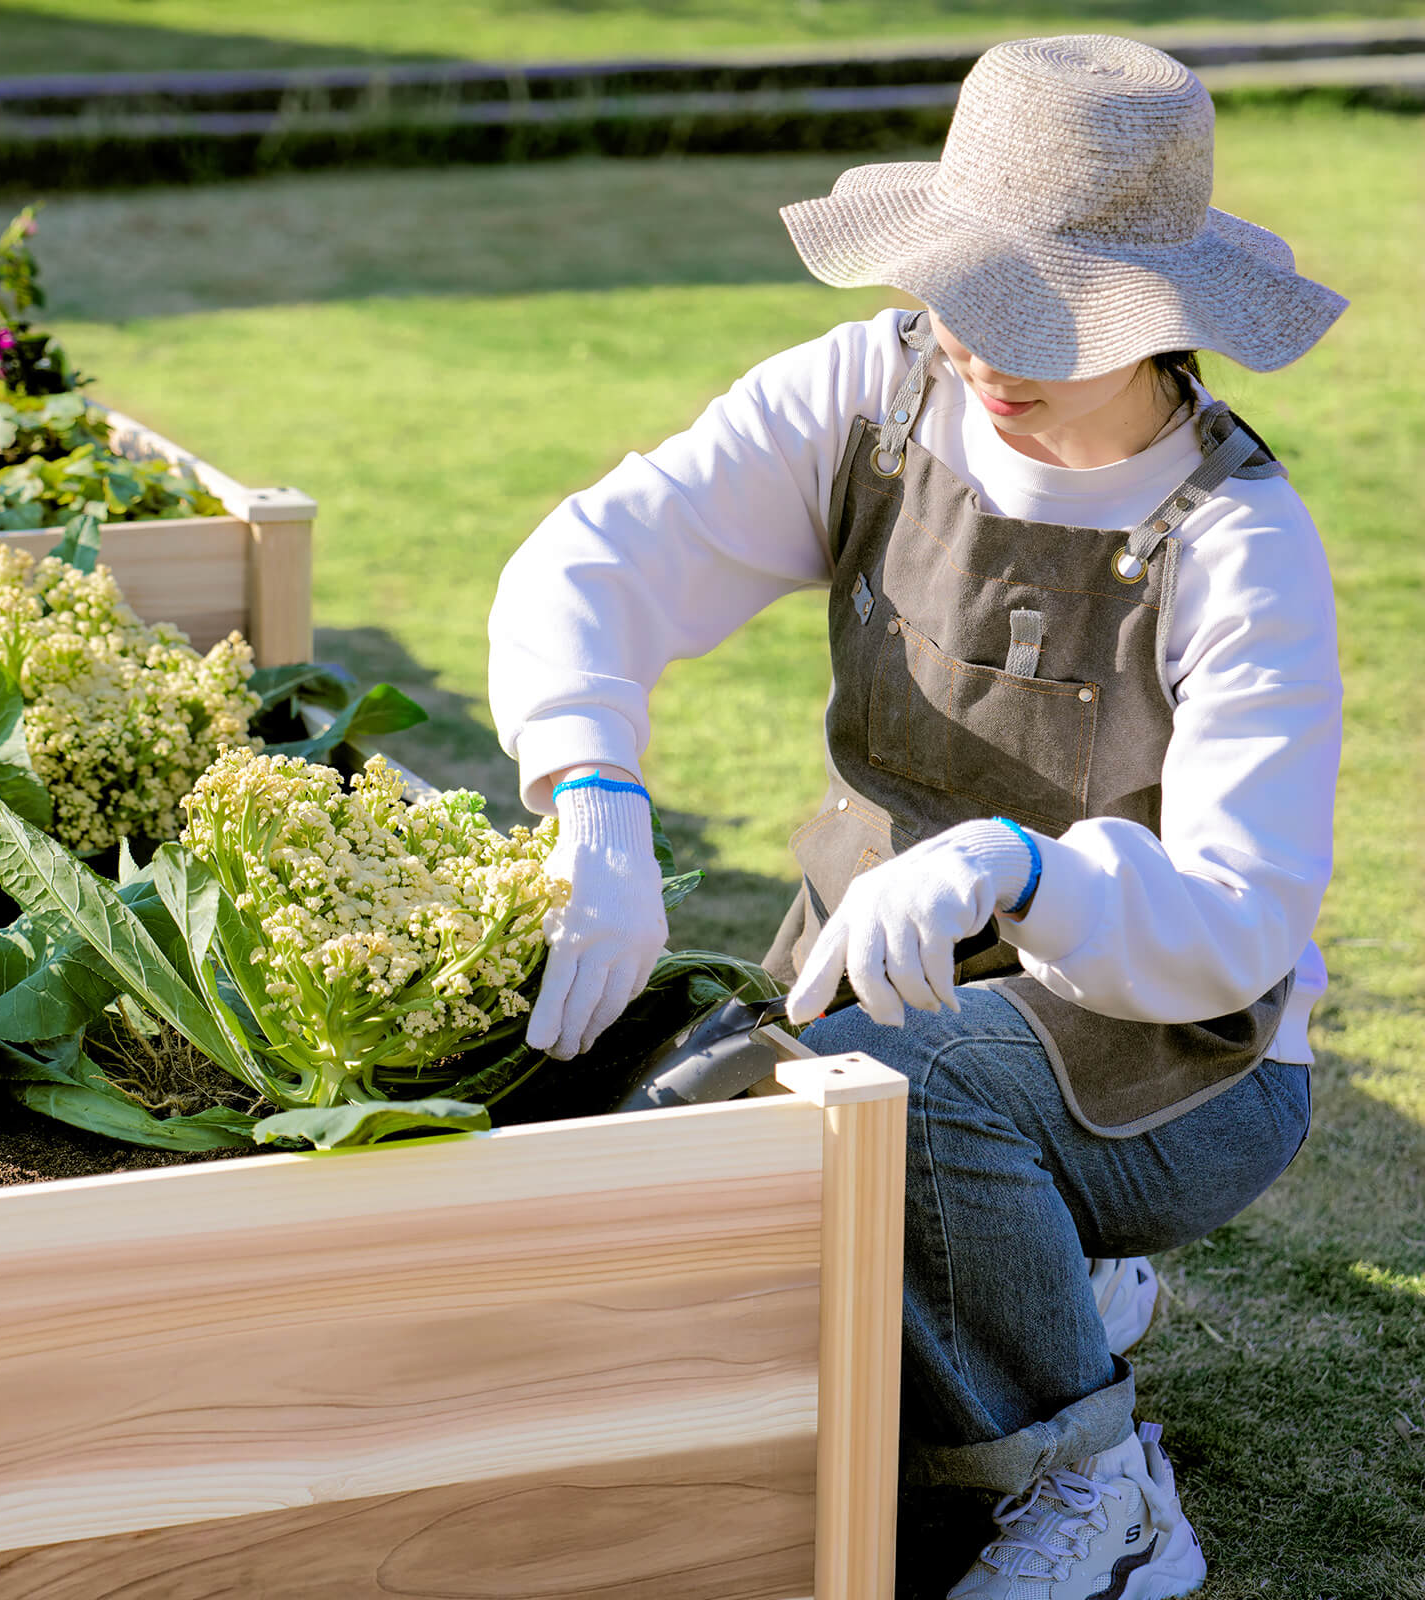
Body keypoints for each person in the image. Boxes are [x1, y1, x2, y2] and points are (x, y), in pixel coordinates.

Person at [488, 34, 1343, 1598]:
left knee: (895, 1091)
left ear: (1161, 323)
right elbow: (596, 559)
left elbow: (1240, 924)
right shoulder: (872, 397)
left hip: (1176, 1065)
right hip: (869, 998)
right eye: (966, 298)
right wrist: (591, 794)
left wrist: (1016, 869)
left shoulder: (1238, 546)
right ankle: (1046, 1266)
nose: (983, 353)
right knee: (647, 1092)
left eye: (1045, 323)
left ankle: (1101, 1490)